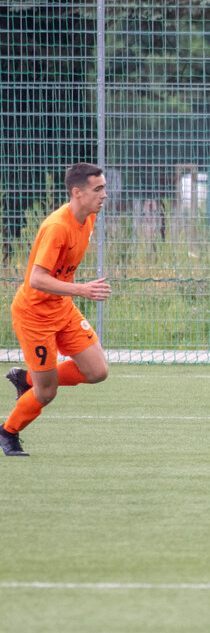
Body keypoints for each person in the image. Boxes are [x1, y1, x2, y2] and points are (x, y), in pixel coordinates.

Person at [1, 162, 111, 457]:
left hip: (62, 308)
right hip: (34, 316)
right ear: (77, 192)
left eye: (104, 188)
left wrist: (73, 292)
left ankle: (27, 379)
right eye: (97, 189)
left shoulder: (87, 218)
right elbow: (36, 279)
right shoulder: (57, 227)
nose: (104, 195)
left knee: (98, 371)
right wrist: (81, 289)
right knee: (46, 393)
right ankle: (8, 431)